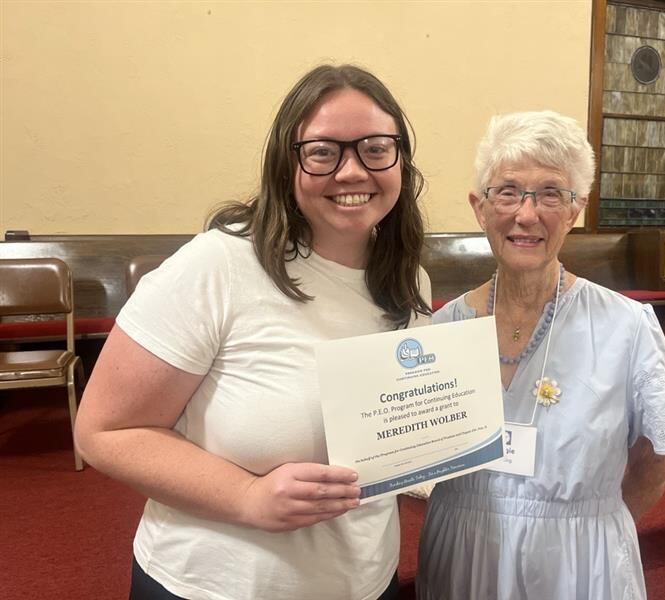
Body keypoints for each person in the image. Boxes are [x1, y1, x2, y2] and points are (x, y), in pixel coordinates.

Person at [74, 64, 431, 600]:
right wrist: (247, 496)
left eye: (376, 147)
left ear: (400, 157)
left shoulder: (408, 277)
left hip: (364, 579)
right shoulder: (218, 265)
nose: (353, 171)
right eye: (323, 151)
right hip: (214, 585)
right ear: (286, 162)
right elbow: (105, 432)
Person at [416, 111, 665, 600]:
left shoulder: (625, 328)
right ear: (480, 207)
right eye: (508, 191)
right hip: (464, 554)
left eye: (550, 193)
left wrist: (589, 530)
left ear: (575, 209)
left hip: (580, 563)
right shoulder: (440, 331)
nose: (527, 214)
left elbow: (658, 462)